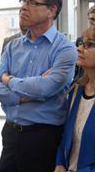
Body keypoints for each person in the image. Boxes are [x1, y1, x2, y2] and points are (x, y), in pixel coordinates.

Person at [0, 0, 78, 172]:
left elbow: (46, 87)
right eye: (23, 1)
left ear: (51, 10)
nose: (23, 8)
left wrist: (8, 80)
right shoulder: (13, 46)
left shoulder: (65, 49)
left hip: (43, 139)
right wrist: (26, 94)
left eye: (32, 3)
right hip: (10, 134)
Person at [54, 27, 95, 172]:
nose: (79, 49)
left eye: (89, 45)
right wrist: (60, 164)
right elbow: (66, 136)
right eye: (81, 43)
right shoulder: (76, 89)